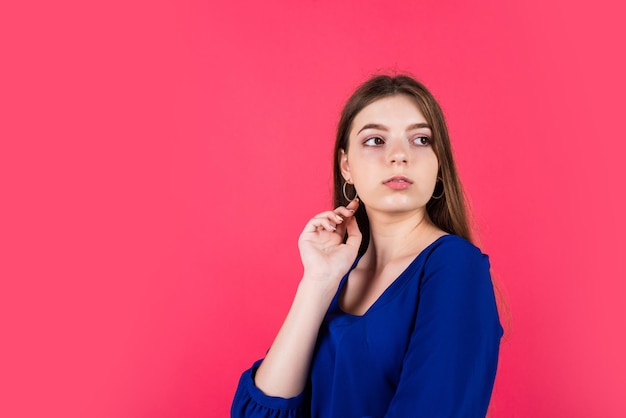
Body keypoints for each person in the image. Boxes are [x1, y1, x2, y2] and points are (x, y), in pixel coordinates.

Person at [231, 74, 503, 417]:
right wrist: (317, 282)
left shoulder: (455, 267)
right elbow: (258, 413)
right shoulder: (338, 275)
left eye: (420, 139)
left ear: (439, 166)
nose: (399, 156)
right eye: (375, 140)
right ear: (346, 166)